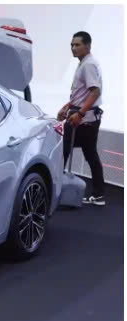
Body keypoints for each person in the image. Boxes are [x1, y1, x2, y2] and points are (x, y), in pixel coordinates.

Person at [57, 31, 106, 206]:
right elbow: (81, 93)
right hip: (83, 116)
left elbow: (95, 92)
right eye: (72, 45)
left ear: (88, 45)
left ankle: (54, 190)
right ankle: (99, 195)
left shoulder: (88, 65)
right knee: (89, 153)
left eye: (77, 45)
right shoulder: (84, 63)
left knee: (63, 151)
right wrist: (68, 106)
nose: (73, 48)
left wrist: (80, 114)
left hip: (85, 119)